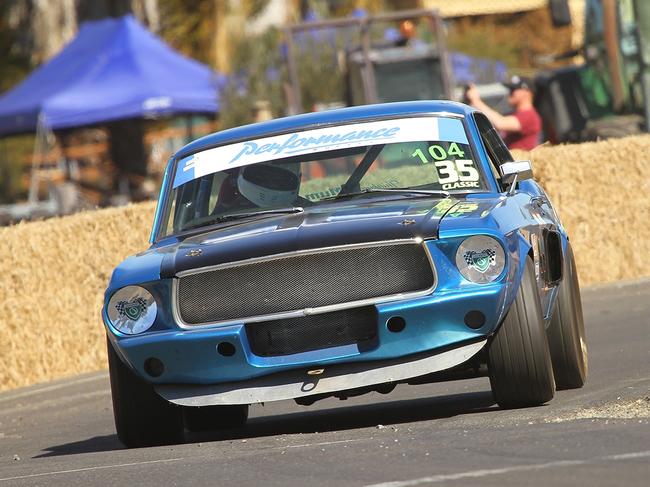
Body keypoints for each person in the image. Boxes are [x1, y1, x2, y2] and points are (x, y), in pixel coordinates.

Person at [465, 75, 542, 151]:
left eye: (513, 89)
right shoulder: (511, 114)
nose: (510, 92)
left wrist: (476, 101)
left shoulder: (530, 116)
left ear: (526, 92)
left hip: (518, 161)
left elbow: (500, 123)